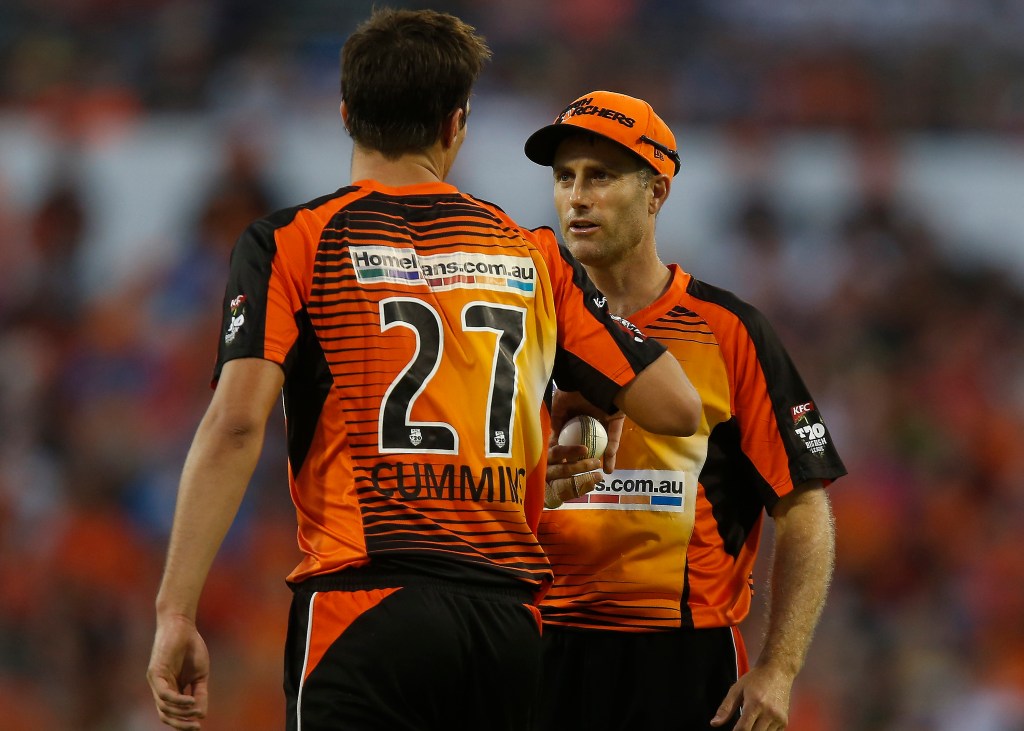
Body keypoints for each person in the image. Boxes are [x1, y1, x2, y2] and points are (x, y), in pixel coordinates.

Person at [145, 13, 702, 731]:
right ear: (455, 124)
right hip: (504, 626)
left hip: (364, 604)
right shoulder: (533, 255)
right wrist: (583, 415)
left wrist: (174, 610)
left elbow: (237, 422)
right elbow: (678, 407)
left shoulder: (294, 241)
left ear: (346, 114)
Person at [525, 90, 847, 731]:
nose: (577, 197)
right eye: (566, 177)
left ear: (657, 192)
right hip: (539, 643)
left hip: (684, 658)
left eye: (602, 176)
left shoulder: (729, 331)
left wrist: (779, 668)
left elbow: (804, 508)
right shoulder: (520, 322)